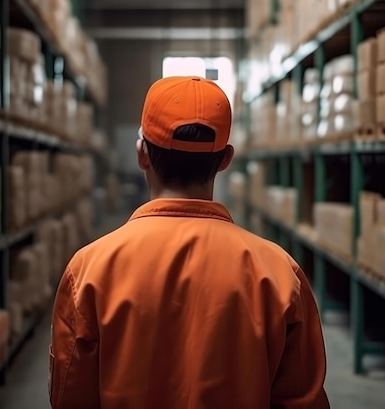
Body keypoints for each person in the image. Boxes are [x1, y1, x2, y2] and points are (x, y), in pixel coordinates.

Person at [49, 76, 329, 409]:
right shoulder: (280, 273)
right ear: (225, 159)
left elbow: (69, 397)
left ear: (142, 155)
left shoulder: (89, 269)